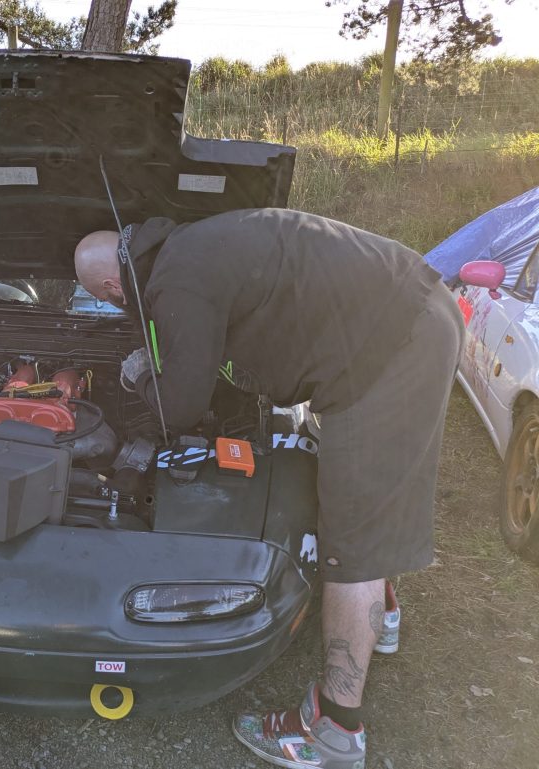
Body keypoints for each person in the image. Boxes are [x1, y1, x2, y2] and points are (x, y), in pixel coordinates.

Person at [74, 209, 463, 769]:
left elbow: (179, 406)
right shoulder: (184, 245)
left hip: (395, 342)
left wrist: (139, 377)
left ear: (112, 288)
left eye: (107, 300)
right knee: (360, 489)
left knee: (351, 541)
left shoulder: (176, 281)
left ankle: (334, 731)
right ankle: (382, 618)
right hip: (407, 312)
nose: (115, 306)